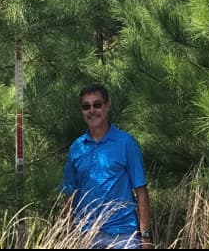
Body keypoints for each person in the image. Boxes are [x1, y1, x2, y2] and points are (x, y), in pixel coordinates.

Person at [61, 84, 154, 249]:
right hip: (87, 235)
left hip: (123, 235)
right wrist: (69, 235)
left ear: (107, 106)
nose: (92, 110)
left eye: (97, 104)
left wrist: (145, 237)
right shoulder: (77, 147)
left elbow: (141, 192)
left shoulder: (126, 143)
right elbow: (69, 195)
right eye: (86, 106)